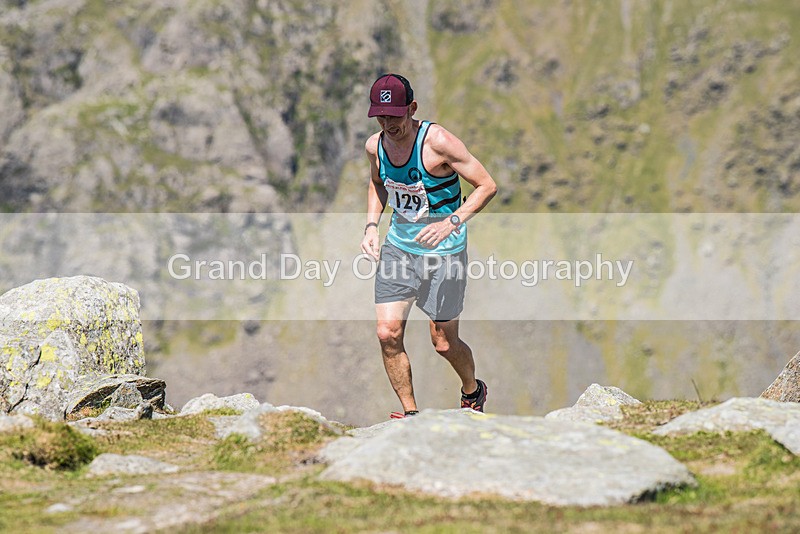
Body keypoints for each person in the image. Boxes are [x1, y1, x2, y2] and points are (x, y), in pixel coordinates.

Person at [360, 73, 497, 418]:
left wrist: (451, 222)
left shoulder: (438, 142)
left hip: (444, 253)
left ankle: (472, 390)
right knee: (387, 333)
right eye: (381, 116)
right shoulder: (375, 146)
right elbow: (378, 183)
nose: (388, 123)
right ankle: (411, 414)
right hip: (399, 249)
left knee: (444, 343)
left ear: (412, 108)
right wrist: (371, 226)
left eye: (395, 115)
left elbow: (486, 185)